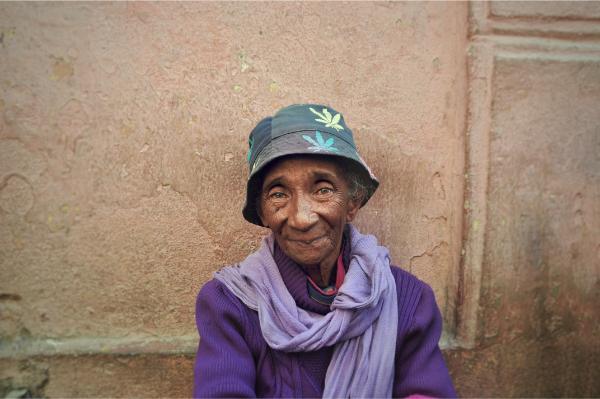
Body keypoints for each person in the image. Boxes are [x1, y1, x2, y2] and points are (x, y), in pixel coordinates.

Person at [193, 104, 456, 398]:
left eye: (323, 190)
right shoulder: (228, 304)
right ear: (263, 213)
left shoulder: (407, 300)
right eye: (278, 194)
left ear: (352, 203)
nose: (302, 218)